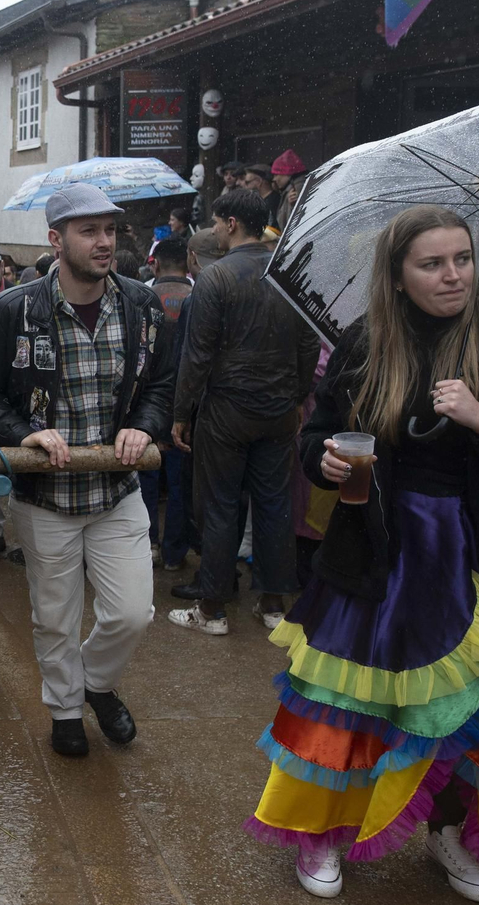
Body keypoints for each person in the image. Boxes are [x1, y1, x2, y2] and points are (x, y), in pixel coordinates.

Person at [246, 205, 479, 901]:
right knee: (348, 702)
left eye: (461, 258)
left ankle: (453, 834)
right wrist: (327, 461)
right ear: (398, 276)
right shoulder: (366, 341)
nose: (452, 274)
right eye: (432, 263)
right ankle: (323, 833)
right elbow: (318, 435)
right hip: (382, 552)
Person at [0, 183, 176, 758]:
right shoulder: (13, 310)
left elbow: (162, 382)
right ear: (56, 240)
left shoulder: (142, 305)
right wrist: (21, 434)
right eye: (90, 231)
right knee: (56, 618)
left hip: (116, 488)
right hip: (44, 497)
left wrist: (146, 425)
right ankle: (65, 710)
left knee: (132, 613)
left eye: (110, 230)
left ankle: (97, 685)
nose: (105, 242)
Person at [167, 190, 320, 636]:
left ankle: (212, 610)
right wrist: (296, 397)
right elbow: (308, 343)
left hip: (226, 409)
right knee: (274, 504)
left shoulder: (216, 279)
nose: (215, 231)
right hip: (277, 410)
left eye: (216, 223)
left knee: (219, 506)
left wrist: (181, 413)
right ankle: (273, 603)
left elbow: (197, 355)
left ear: (231, 223)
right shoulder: (288, 273)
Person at [142, 239, 192, 571]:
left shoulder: (143, 295)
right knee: (180, 481)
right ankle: (175, 552)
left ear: (155, 264)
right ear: (188, 262)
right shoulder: (201, 294)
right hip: (185, 402)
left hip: (147, 399)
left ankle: (149, 544)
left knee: (145, 472)